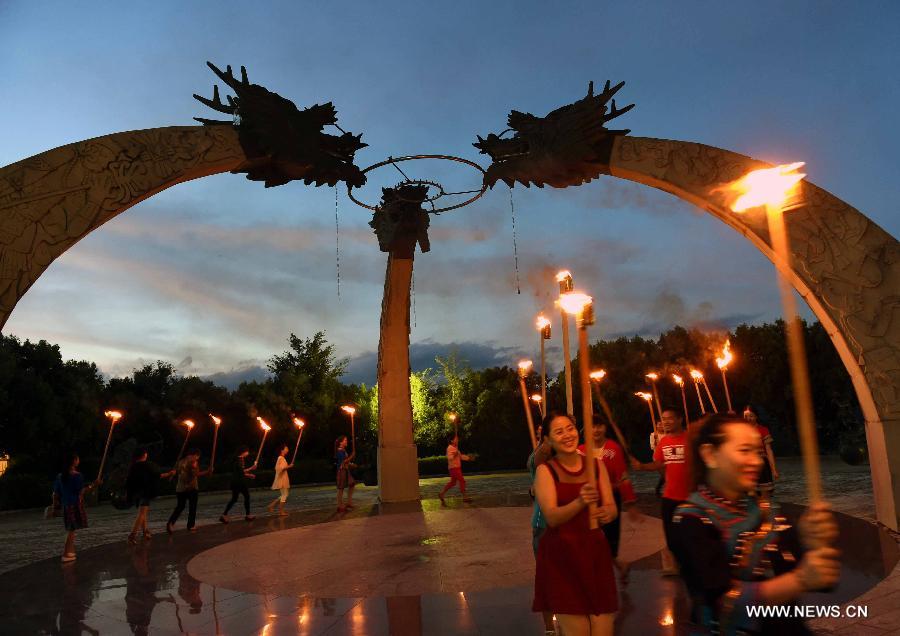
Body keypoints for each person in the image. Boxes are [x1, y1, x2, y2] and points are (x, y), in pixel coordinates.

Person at [670, 413, 840, 634]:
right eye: (744, 451)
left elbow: (816, 576)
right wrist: (799, 580)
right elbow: (720, 602)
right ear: (710, 454)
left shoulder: (767, 511)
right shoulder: (691, 519)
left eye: (758, 452)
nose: (756, 461)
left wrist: (811, 541)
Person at [533, 412, 618, 636]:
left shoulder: (596, 466)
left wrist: (605, 513)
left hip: (594, 553)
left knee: (603, 629)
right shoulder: (545, 471)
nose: (567, 435)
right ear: (549, 440)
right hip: (562, 556)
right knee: (577, 630)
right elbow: (552, 517)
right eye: (558, 432)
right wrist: (581, 501)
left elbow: (611, 507)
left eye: (570, 428)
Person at [580, 416, 638, 582]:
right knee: (590, 539)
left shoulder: (614, 448)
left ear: (605, 428)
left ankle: (611, 570)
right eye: (592, 427)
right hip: (589, 500)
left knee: (609, 540)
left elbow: (623, 477)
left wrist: (630, 502)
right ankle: (614, 568)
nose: (596, 430)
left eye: (599, 426)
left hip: (610, 499)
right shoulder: (581, 450)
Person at [631, 407, 688, 575]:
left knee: (689, 532)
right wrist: (641, 466)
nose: (666, 422)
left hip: (690, 497)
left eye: (670, 418)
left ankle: (690, 564)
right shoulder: (663, 442)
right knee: (670, 535)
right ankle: (675, 564)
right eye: (664, 419)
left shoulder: (690, 439)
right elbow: (658, 464)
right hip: (670, 495)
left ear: (680, 419)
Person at [528, 422, 557, 636]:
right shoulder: (545, 449)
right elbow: (538, 472)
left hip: (559, 522)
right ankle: (550, 628)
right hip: (543, 522)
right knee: (548, 577)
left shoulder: (555, 451)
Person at [52, 452, 100, 562]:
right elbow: (81, 491)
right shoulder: (77, 476)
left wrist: (55, 507)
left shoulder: (60, 476)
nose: (79, 460)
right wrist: (94, 484)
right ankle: (65, 554)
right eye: (77, 459)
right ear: (74, 461)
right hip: (74, 504)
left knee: (71, 529)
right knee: (71, 530)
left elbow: (55, 494)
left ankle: (70, 551)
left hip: (66, 505)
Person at [125, 448, 164, 544]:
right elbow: (157, 475)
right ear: (144, 455)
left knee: (143, 512)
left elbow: (129, 481)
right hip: (145, 492)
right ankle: (132, 536)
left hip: (137, 493)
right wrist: (169, 474)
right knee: (142, 513)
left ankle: (145, 531)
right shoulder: (147, 465)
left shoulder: (133, 467)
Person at [166, 448, 209, 533]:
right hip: (191, 488)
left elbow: (177, 472)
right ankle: (191, 525)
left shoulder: (181, 461)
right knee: (192, 507)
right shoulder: (193, 462)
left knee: (180, 507)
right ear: (195, 455)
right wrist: (207, 472)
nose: (197, 458)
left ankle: (170, 523)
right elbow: (194, 474)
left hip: (180, 488)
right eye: (197, 457)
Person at [744, 406, 779, 494]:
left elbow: (769, 450)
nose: (748, 418)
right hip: (747, 464)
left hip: (762, 465)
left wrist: (773, 469)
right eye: (746, 416)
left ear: (756, 417)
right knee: (750, 494)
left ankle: (764, 506)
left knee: (764, 493)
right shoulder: (741, 431)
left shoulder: (763, 430)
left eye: (751, 416)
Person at [220, 445, 256, 523]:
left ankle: (224, 515)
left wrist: (250, 471)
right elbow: (240, 472)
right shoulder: (238, 459)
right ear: (243, 452)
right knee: (246, 496)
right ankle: (248, 515)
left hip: (237, 482)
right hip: (239, 482)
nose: (248, 453)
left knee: (235, 499)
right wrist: (250, 471)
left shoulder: (240, 459)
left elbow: (240, 472)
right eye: (247, 451)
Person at [439, 433, 473, 505]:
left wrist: (468, 458)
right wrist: (455, 454)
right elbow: (450, 458)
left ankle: (442, 493)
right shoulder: (450, 448)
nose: (457, 440)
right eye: (456, 439)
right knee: (462, 481)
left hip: (456, 468)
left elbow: (460, 457)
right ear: (451, 440)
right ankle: (465, 497)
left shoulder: (455, 448)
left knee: (453, 483)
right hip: (454, 468)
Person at [266, 443, 293, 516]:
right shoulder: (280, 458)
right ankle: (281, 511)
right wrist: (289, 466)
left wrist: (287, 467)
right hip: (282, 478)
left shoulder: (282, 458)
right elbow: (279, 468)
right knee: (285, 494)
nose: (287, 450)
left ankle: (271, 506)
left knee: (284, 494)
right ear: (282, 450)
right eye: (286, 448)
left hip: (283, 477)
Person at [335, 435, 355, 512]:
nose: (346, 442)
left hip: (346, 470)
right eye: (345, 440)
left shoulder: (343, 450)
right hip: (341, 471)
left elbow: (346, 461)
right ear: (341, 442)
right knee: (341, 488)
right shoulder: (339, 450)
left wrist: (352, 464)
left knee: (352, 484)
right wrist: (352, 456)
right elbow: (343, 461)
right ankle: (339, 506)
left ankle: (349, 502)